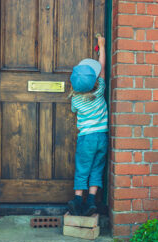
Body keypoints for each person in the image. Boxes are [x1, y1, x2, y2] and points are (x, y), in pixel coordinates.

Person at [68, 36, 108, 216]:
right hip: (102, 137)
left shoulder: (76, 99)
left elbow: (74, 110)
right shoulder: (99, 90)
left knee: (82, 168)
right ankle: (91, 200)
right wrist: (102, 47)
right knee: (97, 168)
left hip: (86, 139)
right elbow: (102, 69)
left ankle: (78, 200)